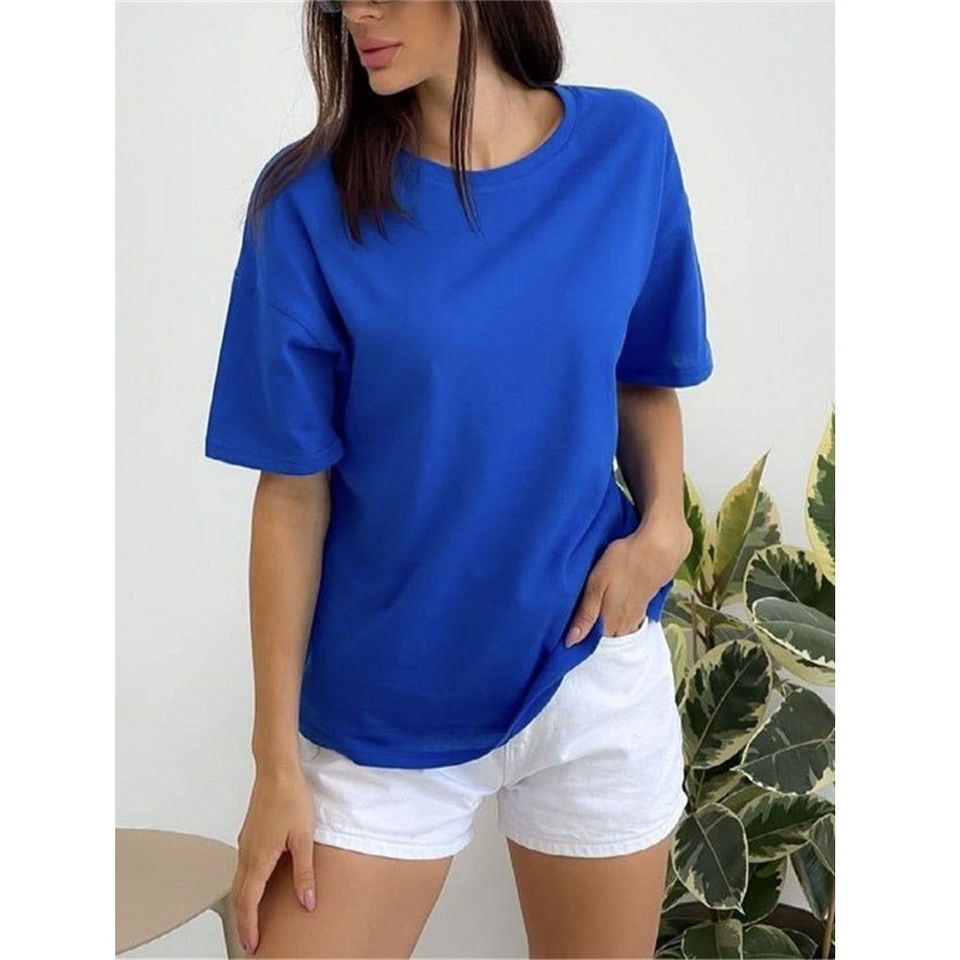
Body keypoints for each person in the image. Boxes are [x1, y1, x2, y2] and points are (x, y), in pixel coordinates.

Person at [203, 1, 713, 956]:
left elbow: (642, 371)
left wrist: (663, 529)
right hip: (386, 700)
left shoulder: (628, 146)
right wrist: (274, 760)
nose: (357, 13)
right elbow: (293, 494)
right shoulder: (307, 203)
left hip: (587, 674)